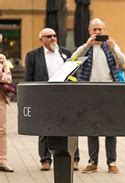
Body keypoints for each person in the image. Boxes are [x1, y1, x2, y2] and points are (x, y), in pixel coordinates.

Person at [73, 18, 125, 174]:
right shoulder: (86, 47)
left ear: (104, 30)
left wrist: (114, 47)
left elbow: (123, 61)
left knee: (111, 128)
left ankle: (112, 162)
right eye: (94, 30)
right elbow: (73, 59)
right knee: (92, 128)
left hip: (110, 91)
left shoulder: (110, 46)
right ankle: (93, 161)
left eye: (100, 30)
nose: (97, 32)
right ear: (90, 31)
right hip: (89, 91)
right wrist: (86, 45)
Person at [24, 28, 79, 171]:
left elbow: (74, 73)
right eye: (49, 36)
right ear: (41, 39)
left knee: (70, 127)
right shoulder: (33, 56)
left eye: (54, 35)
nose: (53, 38)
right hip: (44, 96)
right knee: (44, 128)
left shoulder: (65, 53)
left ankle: (74, 159)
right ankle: (45, 159)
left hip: (65, 95)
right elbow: (28, 79)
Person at [0, 52, 13, 172]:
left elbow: (8, 78)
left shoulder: (2, 57)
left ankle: (2, 161)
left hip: (0, 98)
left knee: (2, 130)